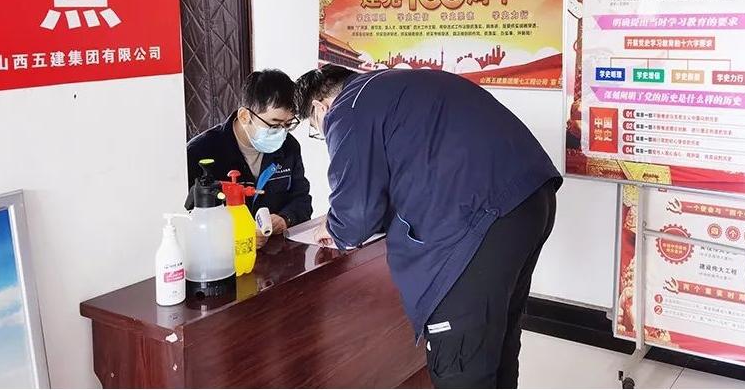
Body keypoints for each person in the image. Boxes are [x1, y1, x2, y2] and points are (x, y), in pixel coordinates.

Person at [294, 65, 561, 389]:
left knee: (461, 365)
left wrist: (334, 227)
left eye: (316, 128)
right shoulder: (397, 85)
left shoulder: (348, 107)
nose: (323, 133)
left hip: (479, 221)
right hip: (532, 197)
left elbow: (357, 216)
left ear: (320, 107)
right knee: (497, 342)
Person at [186, 69, 312, 247]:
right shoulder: (200, 152)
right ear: (245, 116)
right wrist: (238, 233)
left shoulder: (289, 147)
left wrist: (285, 219)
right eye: (274, 124)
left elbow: (302, 199)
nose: (281, 133)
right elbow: (188, 217)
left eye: (288, 124)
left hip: (276, 253)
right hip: (223, 254)